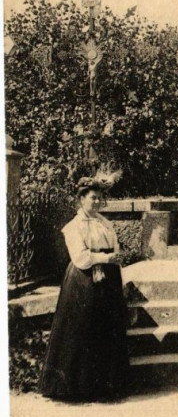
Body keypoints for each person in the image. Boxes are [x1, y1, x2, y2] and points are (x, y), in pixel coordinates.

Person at [39, 172, 129, 402]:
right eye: (92, 198)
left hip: (107, 282)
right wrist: (106, 260)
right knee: (82, 329)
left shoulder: (104, 223)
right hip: (83, 282)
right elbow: (80, 258)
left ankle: (103, 386)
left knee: (105, 329)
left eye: (99, 198)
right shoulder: (74, 227)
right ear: (81, 199)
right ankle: (78, 388)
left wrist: (117, 268)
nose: (97, 202)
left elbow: (114, 249)